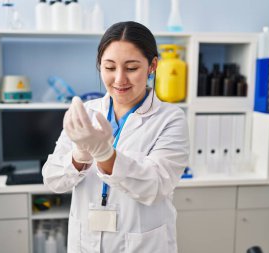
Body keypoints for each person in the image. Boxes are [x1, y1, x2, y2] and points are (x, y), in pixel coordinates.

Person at [42, 21, 189, 253]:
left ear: (152, 66)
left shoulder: (170, 119)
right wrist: (80, 155)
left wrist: (105, 155)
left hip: (143, 245)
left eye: (131, 68)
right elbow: (52, 180)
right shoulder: (86, 112)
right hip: (85, 243)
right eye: (109, 68)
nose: (119, 79)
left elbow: (155, 186)